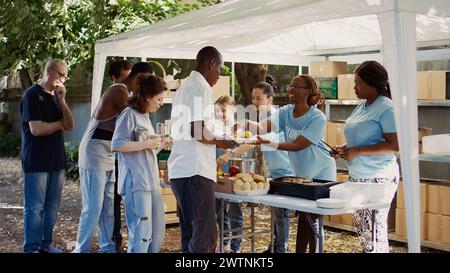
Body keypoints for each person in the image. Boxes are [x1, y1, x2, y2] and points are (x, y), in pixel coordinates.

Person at [239, 75, 336, 253]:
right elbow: (262, 128)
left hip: (321, 173)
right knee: (303, 219)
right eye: (290, 85)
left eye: (296, 86)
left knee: (313, 219)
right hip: (302, 174)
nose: (291, 88)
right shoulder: (285, 112)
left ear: (308, 91)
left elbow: (299, 145)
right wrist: (244, 123)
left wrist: (269, 143)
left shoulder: (317, 117)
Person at [74, 62, 154, 253]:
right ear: (138, 78)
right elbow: (135, 114)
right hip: (93, 154)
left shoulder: (126, 91)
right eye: (146, 84)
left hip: (109, 154)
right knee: (93, 208)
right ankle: (81, 249)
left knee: (108, 207)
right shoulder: (119, 92)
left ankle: (107, 248)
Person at [168, 46, 237, 253]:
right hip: (196, 170)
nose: (219, 76)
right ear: (211, 64)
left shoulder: (184, 87)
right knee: (205, 236)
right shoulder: (201, 87)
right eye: (220, 69)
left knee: (190, 234)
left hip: (181, 169)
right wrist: (222, 141)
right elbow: (196, 131)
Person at [334, 61, 399, 253]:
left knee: (375, 232)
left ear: (373, 83)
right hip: (359, 176)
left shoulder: (386, 108)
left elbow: (395, 145)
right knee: (364, 231)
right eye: (355, 82)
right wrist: (346, 149)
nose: (355, 87)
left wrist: (358, 151)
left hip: (378, 178)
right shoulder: (362, 105)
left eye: (359, 83)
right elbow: (362, 139)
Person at [20, 59, 75, 253]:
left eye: (65, 76)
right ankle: (32, 247)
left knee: (52, 207)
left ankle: (45, 244)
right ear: (48, 70)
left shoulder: (58, 96)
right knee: (34, 208)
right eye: (60, 74)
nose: (62, 79)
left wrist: (62, 100)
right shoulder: (31, 95)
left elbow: (69, 125)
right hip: (36, 159)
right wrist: (58, 125)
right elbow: (36, 129)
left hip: (56, 160)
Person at [112, 74, 168, 253]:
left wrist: (157, 143)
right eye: (159, 99)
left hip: (151, 181)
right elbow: (117, 144)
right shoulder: (129, 114)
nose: (161, 103)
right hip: (136, 182)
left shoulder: (145, 115)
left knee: (157, 233)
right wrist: (146, 143)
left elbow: (144, 151)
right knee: (141, 234)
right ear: (147, 97)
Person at [107, 59, 132, 251]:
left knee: (123, 198)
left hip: (123, 157)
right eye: (124, 78)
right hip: (111, 157)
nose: (128, 83)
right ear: (113, 78)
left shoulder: (125, 94)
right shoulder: (116, 94)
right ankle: (115, 239)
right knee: (114, 200)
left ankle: (123, 238)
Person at [213, 96, 243, 253]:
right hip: (219, 176)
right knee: (219, 212)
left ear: (234, 109)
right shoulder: (216, 129)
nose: (220, 114)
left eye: (223, 110)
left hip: (234, 176)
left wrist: (226, 150)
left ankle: (235, 246)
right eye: (218, 110)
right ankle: (224, 241)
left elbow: (241, 147)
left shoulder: (238, 129)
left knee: (235, 211)